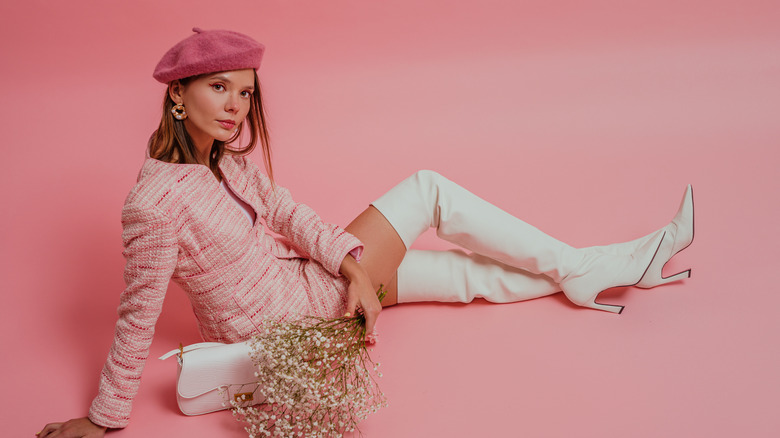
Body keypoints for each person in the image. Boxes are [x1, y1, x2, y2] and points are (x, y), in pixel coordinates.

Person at [38, 28, 694, 438]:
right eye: (219, 88)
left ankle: (583, 272)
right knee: (428, 189)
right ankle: (585, 268)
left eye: (244, 93)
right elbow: (135, 313)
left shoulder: (225, 163)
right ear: (176, 97)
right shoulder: (153, 203)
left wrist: (353, 268)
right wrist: (103, 418)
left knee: (461, 277)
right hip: (288, 323)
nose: (237, 107)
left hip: (315, 295)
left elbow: (290, 215)